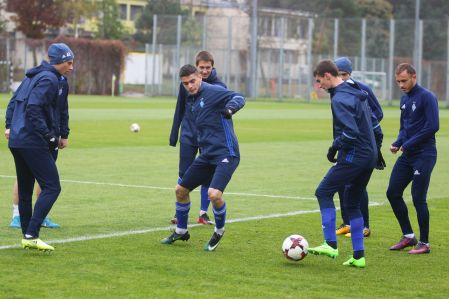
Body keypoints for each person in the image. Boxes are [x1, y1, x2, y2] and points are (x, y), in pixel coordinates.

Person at [161, 64, 245, 251]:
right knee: (180, 190)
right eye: (185, 83)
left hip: (226, 153)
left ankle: (219, 230)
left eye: (193, 81)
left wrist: (230, 109)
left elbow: (239, 97)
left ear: (200, 77)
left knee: (214, 194)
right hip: (207, 155)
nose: (190, 86)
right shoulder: (191, 98)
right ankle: (182, 231)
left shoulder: (214, 91)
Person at [308, 60, 381, 268]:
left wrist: (334, 148)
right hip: (369, 155)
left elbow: (350, 132)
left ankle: (330, 243)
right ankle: (359, 257)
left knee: (323, 192)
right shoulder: (355, 90)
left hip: (355, 155)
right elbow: (374, 124)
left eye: (319, 81)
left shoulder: (340, 98)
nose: (319, 86)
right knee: (351, 203)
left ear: (328, 76)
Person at [4, 42, 74, 251]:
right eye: (68, 62)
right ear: (58, 62)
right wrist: (49, 135)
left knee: (25, 191)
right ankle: (32, 232)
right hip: (33, 141)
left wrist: (9, 126)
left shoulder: (33, 77)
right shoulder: (49, 79)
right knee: (52, 187)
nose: (71, 66)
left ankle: (28, 237)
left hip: (18, 140)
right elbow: (33, 108)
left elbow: (13, 102)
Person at [169, 51, 227, 225]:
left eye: (207, 67)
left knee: (206, 176)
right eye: (201, 67)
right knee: (184, 174)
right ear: (196, 67)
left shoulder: (219, 87)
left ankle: (203, 214)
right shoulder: (186, 84)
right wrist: (174, 135)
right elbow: (180, 108)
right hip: (188, 135)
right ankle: (179, 213)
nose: (204, 71)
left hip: (207, 138)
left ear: (212, 66)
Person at [386, 63, 439, 254]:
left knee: (418, 198)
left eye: (404, 81)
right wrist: (398, 141)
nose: (401, 85)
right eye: (398, 81)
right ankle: (408, 236)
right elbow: (404, 128)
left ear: (414, 77)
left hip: (424, 155)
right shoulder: (404, 99)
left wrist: (407, 144)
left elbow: (433, 126)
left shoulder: (427, 97)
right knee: (392, 193)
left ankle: (424, 243)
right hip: (407, 155)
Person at [333, 57, 385, 238]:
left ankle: (364, 226)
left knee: (357, 185)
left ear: (350, 73)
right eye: (338, 74)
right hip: (346, 144)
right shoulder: (336, 90)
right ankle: (348, 222)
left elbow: (378, 113)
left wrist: (366, 129)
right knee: (340, 182)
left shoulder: (362, 89)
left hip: (361, 145)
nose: (342, 78)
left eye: (344, 74)